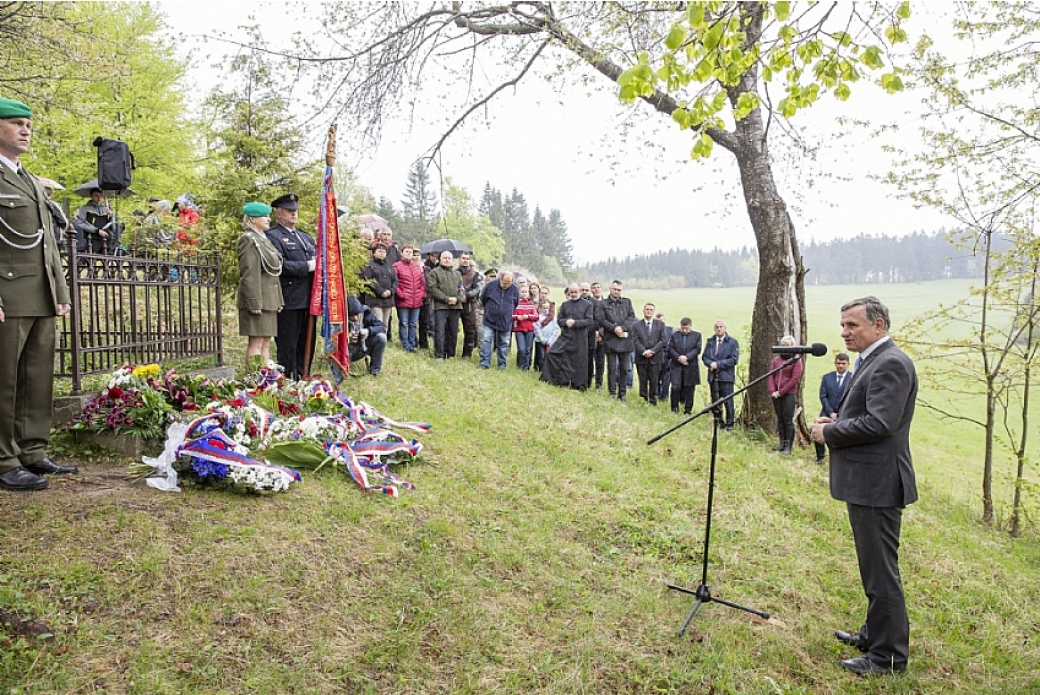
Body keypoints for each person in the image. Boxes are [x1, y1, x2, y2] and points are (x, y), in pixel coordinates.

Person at [810, 296, 918, 677]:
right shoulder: (873, 359)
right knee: (873, 568)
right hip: (868, 481)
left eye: (853, 325)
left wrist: (829, 432)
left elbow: (880, 424)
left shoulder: (890, 363)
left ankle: (887, 658)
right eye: (843, 325)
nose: (844, 332)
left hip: (879, 483)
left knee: (881, 572)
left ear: (879, 326)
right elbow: (866, 414)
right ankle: (874, 635)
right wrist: (837, 419)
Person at [0, 97, 76, 491]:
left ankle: (32, 449)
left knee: (36, 376)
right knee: (5, 380)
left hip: (40, 293)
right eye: (16, 123)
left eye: (28, 123)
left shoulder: (29, 179)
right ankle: (3, 458)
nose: (25, 130)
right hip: (8, 294)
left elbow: (48, 243)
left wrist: (59, 290)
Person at [265, 193, 317, 380]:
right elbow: (278, 265)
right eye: (289, 211)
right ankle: (287, 381)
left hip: (309, 298)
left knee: (307, 342)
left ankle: (304, 376)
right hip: (289, 298)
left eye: (295, 211)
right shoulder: (273, 236)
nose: (294, 214)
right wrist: (306, 266)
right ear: (278, 214)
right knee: (288, 344)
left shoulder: (305, 237)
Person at [236, 202, 284, 366]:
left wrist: (279, 300)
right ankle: (254, 380)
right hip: (258, 299)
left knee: (266, 342)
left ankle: (264, 380)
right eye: (264, 216)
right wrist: (253, 301)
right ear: (253, 219)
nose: (268, 219)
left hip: (269, 299)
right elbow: (249, 273)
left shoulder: (263, 239)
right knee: (256, 343)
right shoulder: (248, 240)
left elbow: (274, 271)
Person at [541, 283, 594, 390]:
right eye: (571, 292)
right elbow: (560, 320)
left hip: (580, 338)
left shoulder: (587, 305)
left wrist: (575, 322)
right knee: (553, 353)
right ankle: (557, 380)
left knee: (578, 362)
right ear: (569, 292)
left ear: (579, 291)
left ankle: (577, 384)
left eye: (575, 292)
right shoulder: (565, 305)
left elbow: (589, 321)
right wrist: (566, 322)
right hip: (566, 336)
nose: (573, 294)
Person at [596, 279, 635, 402]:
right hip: (610, 339)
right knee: (612, 368)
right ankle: (612, 392)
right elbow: (601, 319)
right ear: (610, 289)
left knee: (624, 369)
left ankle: (622, 394)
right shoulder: (602, 304)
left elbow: (631, 317)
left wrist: (622, 328)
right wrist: (614, 328)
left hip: (625, 340)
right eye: (614, 289)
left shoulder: (627, 302)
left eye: (619, 290)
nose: (616, 292)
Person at [768, 335, 804, 454]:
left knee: (788, 420)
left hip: (788, 394)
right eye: (783, 346)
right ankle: (781, 443)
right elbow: (771, 376)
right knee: (780, 419)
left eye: (787, 346)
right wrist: (773, 391)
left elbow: (794, 379)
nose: (785, 348)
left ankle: (789, 445)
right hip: (776, 395)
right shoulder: (776, 360)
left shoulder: (796, 361)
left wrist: (781, 391)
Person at [427, 251, 464, 359]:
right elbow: (433, 289)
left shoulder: (457, 274)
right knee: (440, 331)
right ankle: (439, 354)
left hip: (455, 307)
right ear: (440, 259)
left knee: (453, 331)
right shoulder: (434, 272)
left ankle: (451, 354)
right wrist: (446, 299)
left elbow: (461, 289)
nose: (447, 260)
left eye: (449, 258)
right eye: (445, 258)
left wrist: (457, 299)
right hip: (441, 307)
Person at [815, 353, 852, 463]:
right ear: (835, 363)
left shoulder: (853, 378)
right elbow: (823, 396)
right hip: (827, 410)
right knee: (817, 428)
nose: (841, 366)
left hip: (844, 412)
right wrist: (830, 411)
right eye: (838, 363)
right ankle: (820, 457)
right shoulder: (827, 377)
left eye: (843, 364)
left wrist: (840, 412)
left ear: (848, 364)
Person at [702, 320, 739, 429]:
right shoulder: (710, 342)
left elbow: (733, 360)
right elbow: (705, 357)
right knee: (715, 400)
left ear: (725, 328)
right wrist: (711, 364)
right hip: (713, 376)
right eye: (717, 327)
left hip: (726, 377)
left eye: (721, 327)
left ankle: (729, 424)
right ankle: (718, 421)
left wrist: (718, 364)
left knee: (728, 401)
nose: (719, 329)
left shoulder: (732, 342)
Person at [479, 270, 519, 369]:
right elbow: (483, 298)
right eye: (504, 283)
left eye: (508, 284)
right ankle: (485, 363)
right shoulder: (490, 285)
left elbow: (515, 303)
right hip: (490, 319)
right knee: (487, 340)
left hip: (505, 321)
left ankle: (502, 364)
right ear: (500, 279)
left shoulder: (515, 289)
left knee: (503, 343)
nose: (505, 285)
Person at [632, 302, 667, 405]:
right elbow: (635, 340)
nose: (649, 311)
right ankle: (643, 400)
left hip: (655, 358)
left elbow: (663, 340)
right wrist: (643, 351)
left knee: (654, 380)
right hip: (641, 358)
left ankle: (653, 400)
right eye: (647, 309)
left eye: (651, 310)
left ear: (653, 311)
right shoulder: (636, 325)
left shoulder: (660, 324)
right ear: (643, 310)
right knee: (642, 380)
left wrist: (652, 351)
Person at [393, 244, 425, 352]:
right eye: (406, 251)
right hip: (403, 300)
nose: (408, 254)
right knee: (404, 323)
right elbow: (394, 282)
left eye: (410, 252)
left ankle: (412, 344)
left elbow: (422, 283)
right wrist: (400, 294)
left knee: (413, 324)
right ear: (402, 253)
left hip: (416, 300)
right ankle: (405, 344)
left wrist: (421, 294)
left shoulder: (417, 267)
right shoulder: (396, 266)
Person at [666, 318, 702, 415]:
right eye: (682, 328)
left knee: (689, 389)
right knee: (675, 387)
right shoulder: (674, 335)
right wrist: (679, 358)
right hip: (676, 365)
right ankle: (674, 408)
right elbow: (670, 349)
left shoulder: (697, 335)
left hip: (690, 366)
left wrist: (687, 358)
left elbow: (697, 349)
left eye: (686, 328)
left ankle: (688, 410)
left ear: (690, 326)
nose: (684, 331)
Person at [346, 296, 388, 376]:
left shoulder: (366, 313)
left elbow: (382, 327)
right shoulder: (341, 319)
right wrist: (346, 338)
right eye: (351, 316)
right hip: (348, 349)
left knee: (381, 338)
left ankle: (374, 370)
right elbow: (333, 338)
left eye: (357, 314)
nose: (355, 318)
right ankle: (343, 369)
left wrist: (368, 331)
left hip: (363, 346)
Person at [361, 242, 397, 331]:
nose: (382, 253)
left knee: (385, 324)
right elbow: (369, 280)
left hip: (388, 299)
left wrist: (390, 291)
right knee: (378, 322)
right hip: (375, 299)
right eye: (379, 251)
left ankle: (383, 342)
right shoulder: (369, 265)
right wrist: (381, 291)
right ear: (374, 253)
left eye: (384, 251)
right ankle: (376, 342)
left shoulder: (389, 266)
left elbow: (395, 281)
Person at [457, 252, 483, 358]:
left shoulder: (475, 274)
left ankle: (467, 354)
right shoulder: (454, 272)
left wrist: (467, 296)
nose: (465, 260)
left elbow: (478, 288)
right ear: (459, 259)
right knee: (451, 328)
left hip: (469, 304)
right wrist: (458, 296)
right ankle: (448, 351)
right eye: (463, 258)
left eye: (467, 258)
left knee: (470, 329)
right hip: (455, 303)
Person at [73, 187, 114, 255]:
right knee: (92, 260)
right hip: (92, 239)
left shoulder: (107, 209)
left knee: (106, 261)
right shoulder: (85, 208)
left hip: (106, 238)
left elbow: (113, 227)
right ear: (91, 196)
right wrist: (96, 231)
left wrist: (111, 215)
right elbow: (80, 223)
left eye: (101, 196)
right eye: (96, 195)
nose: (99, 198)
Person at [512, 284, 538, 371]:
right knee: (521, 349)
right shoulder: (517, 304)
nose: (524, 294)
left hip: (530, 329)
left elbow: (536, 316)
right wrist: (517, 317)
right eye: (522, 292)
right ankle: (520, 364)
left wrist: (528, 316)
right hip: (519, 329)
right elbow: (512, 315)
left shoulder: (531, 304)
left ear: (528, 293)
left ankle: (525, 367)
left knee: (528, 349)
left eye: (525, 292)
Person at [589, 281, 606, 389]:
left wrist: (600, 332)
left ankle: (599, 383)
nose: (596, 289)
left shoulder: (606, 303)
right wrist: (594, 332)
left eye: (598, 287)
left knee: (601, 362)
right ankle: (588, 380)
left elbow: (609, 320)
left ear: (601, 289)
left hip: (603, 337)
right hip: (590, 335)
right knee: (590, 360)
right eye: (594, 287)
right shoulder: (588, 303)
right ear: (591, 290)